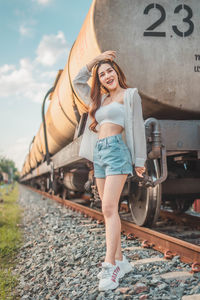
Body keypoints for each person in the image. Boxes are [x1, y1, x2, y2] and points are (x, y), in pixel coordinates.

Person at [73, 50, 147, 291]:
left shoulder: (130, 95)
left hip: (117, 151)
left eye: (109, 71)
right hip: (100, 154)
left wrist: (139, 159)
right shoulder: (100, 101)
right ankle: (121, 260)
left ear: (117, 72)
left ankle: (109, 265)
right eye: (102, 74)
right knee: (107, 211)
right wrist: (95, 61)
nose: (107, 76)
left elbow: (137, 127)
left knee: (108, 208)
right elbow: (77, 81)